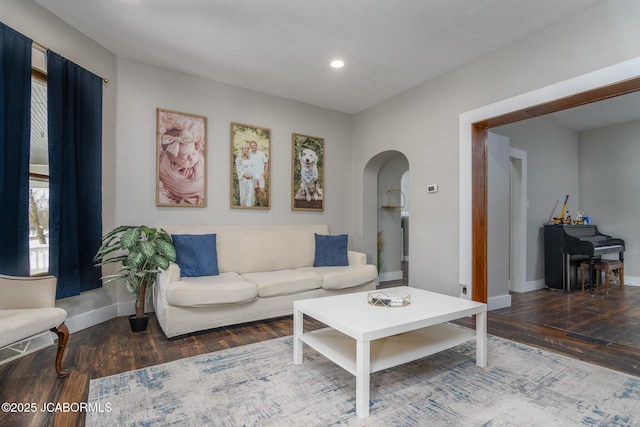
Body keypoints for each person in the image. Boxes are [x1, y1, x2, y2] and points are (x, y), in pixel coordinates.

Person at [158, 128, 205, 205]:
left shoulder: (198, 160)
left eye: (193, 153)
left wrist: (192, 169)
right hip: (181, 190)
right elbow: (163, 175)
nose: (191, 158)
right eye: (184, 157)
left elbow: (202, 164)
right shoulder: (166, 167)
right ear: (171, 159)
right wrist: (179, 171)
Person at [248, 140, 269, 207]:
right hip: (253, 176)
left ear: (256, 146)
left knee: (262, 191)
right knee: (256, 191)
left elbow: (266, 163)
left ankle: (266, 204)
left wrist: (265, 173)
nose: (253, 147)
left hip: (260, 175)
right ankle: (257, 203)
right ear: (250, 147)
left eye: (254, 145)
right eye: (251, 146)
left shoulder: (261, 154)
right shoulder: (249, 154)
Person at [235, 143, 254, 207]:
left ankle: (249, 206)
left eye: (247, 148)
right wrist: (245, 176)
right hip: (244, 179)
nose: (246, 149)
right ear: (242, 148)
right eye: (245, 148)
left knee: (250, 192)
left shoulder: (249, 157)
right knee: (244, 192)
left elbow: (252, 166)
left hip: (250, 179)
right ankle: (244, 206)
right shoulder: (239, 157)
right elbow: (238, 169)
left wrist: (251, 175)